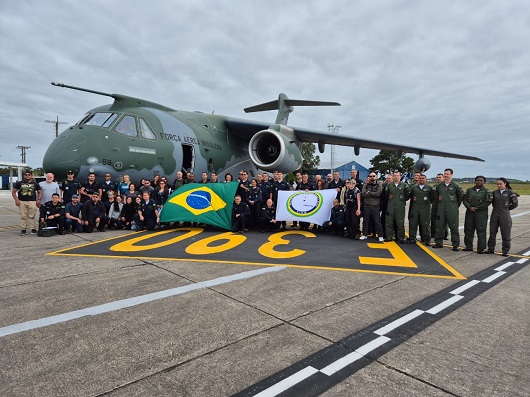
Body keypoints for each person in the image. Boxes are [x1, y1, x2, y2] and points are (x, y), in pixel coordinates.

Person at [432, 168, 464, 251]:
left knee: (454, 227)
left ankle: (455, 245)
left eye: (447, 174)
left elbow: (460, 196)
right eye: (445, 174)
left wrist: (454, 205)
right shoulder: (439, 186)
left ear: (451, 175)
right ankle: (438, 243)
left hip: (452, 210)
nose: (446, 175)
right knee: (439, 227)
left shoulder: (456, 186)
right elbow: (436, 197)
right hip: (441, 209)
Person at [486, 178, 518, 256]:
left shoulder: (511, 193)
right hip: (495, 215)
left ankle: (505, 250)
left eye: (500, 184)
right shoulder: (494, 193)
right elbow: (492, 202)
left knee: (506, 234)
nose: (499, 185)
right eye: (497, 184)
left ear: (505, 184)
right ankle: (490, 249)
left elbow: (515, 204)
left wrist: (507, 209)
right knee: (492, 233)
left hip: (505, 215)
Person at [463, 176, 492, 253]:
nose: (479, 182)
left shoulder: (487, 191)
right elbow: (465, 200)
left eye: (481, 180)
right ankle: (468, 246)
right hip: (470, 213)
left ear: (484, 182)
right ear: (475, 181)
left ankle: (481, 248)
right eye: (477, 180)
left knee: (481, 230)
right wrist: (469, 207)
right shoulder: (469, 190)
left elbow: (487, 202)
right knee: (468, 230)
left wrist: (477, 208)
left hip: (481, 214)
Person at [12, 169, 42, 235]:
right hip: (22, 201)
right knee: (23, 216)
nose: (27, 176)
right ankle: (23, 229)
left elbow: (39, 191)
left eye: (29, 175)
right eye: (26, 175)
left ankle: (32, 229)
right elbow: (14, 191)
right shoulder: (19, 183)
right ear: (24, 175)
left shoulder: (35, 183)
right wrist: (16, 200)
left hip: (32, 201)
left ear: (31, 176)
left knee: (32, 216)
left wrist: (39, 199)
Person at [408, 174, 435, 245]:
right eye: (420, 178)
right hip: (415, 209)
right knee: (413, 225)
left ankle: (426, 240)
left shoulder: (429, 188)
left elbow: (432, 199)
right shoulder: (414, 188)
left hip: (425, 210)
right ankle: (412, 239)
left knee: (425, 226)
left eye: (423, 178)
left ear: (426, 179)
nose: (421, 179)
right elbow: (410, 197)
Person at [384, 170, 410, 243]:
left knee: (400, 223)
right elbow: (386, 195)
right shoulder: (389, 185)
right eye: (395, 176)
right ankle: (389, 237)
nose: (396, 177)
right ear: (393, 177)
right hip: (390, 206)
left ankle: (401, 237)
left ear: (400, 176)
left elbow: (407, 195)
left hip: (400, 207)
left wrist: (402, 201)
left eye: (397, 175)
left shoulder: (404, 185)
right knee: (389, 223)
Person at [361, 172, 384, 241]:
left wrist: (369, 193)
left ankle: (380, 235)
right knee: (365, 221)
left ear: (376, 177)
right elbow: (363, 194)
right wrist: (371, 193)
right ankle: (365, 234)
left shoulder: (379, 184)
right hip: (367, 206)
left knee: (377, 222)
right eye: (371, 176)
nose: (372, 177)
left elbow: (378, 194)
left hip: (375, 206)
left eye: (373, 176)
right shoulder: (365, 185)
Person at [431, 173, 447, 239]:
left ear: (443, 178)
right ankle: (433, 234)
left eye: (440, 177)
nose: (438, 178)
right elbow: (431, 196)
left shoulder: (446, 186)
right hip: (435, 205)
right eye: (437, 177)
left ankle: (444, 234)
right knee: (434, 220)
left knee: (444, 221)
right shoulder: (434, 187)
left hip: (443, 206)